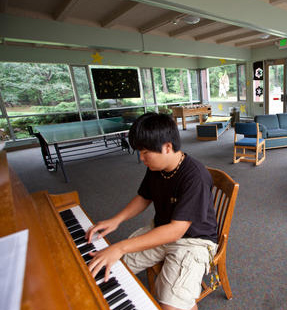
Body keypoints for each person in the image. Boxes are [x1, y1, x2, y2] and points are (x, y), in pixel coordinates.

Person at [85, 112, 218, 310]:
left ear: (167, 147)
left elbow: (176, 231)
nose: (141, 158)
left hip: (193, 241)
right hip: (161, 229)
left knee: (171, 305)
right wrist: (116, 220)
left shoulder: (195, 176)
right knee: (108, 267)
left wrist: (120, 246)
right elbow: (144, 197)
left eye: (145, 152)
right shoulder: (156, 167)